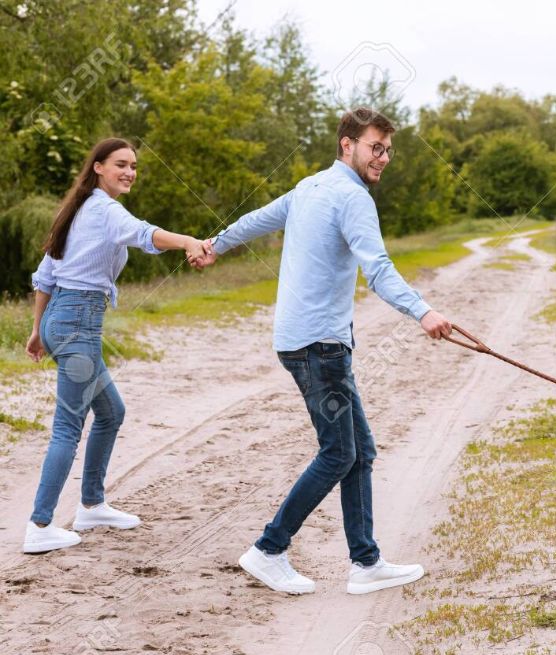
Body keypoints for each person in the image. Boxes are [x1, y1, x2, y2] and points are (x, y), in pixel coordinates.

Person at [194, 107, 452, 595]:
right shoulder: (351, 198)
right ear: (347, 144)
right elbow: (376, 268)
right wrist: (423, 312)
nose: (384, 158)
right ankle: (269, 549)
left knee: (360, 451)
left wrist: (215, 244)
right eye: (376, 147)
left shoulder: (309, 186)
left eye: (388, 150)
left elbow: (254, 221)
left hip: (300, 341)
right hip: (320, 346)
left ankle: (365, 563)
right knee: (338, 452)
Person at [23, 137, 210, 554]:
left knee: (111, 412)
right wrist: (187, 241)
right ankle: (39, 524)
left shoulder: (78, 210)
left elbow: (45, 275)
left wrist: (39, 330)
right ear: (99, 168)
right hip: (77, 325)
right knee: (68, 427)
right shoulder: (104, 210)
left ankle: (91, 505)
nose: (130, 172)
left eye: (134, 166)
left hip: (65, 321)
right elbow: (142, 234)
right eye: (121, 164)